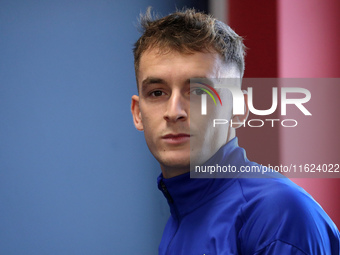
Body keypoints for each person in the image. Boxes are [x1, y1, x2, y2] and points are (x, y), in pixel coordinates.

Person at [130, 8, 340, 255]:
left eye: (198, 92)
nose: (174, 111)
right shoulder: (183, 211)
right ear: (137, 112)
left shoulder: (277, 214)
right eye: (157, 92)